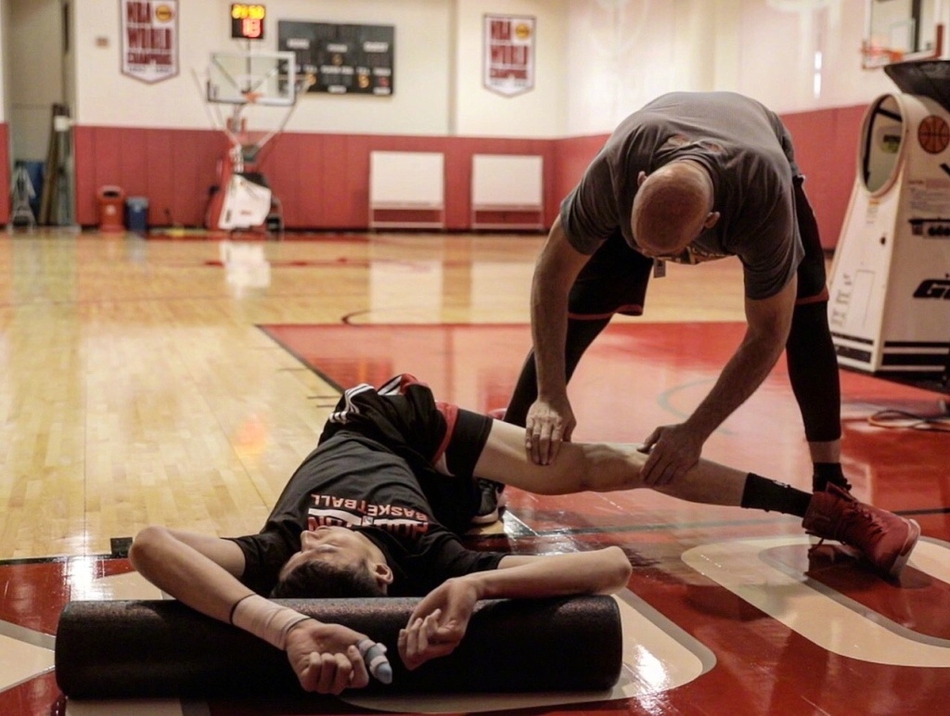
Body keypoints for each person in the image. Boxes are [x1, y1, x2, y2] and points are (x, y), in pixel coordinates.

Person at [129, 374, 919, 696]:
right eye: (327, 545)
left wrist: (282, 624)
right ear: (382, 578)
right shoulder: (424, 559)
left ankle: (823, 509)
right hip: (431, 499)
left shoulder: (279, 552)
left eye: (310, 543)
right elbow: (609, 568)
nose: (314, 535)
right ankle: (473, 490)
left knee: (596, 466)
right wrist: (476, 582)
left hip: (387, 422)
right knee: (479, 513)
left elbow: (150, 542)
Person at [478, 91, 848, 524]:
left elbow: (768, 333)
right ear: (639, 184)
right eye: (641, 245)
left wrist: (695, 431)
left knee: (805, 317)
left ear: (710, 223)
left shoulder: (763, 198)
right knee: (580, 309)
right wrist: (550, 394)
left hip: (762, 150)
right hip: (654, 149)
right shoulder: (616, 168)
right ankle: (493, 469)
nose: (649, 258)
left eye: (666, 255)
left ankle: (832, 482)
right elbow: (551, 275)